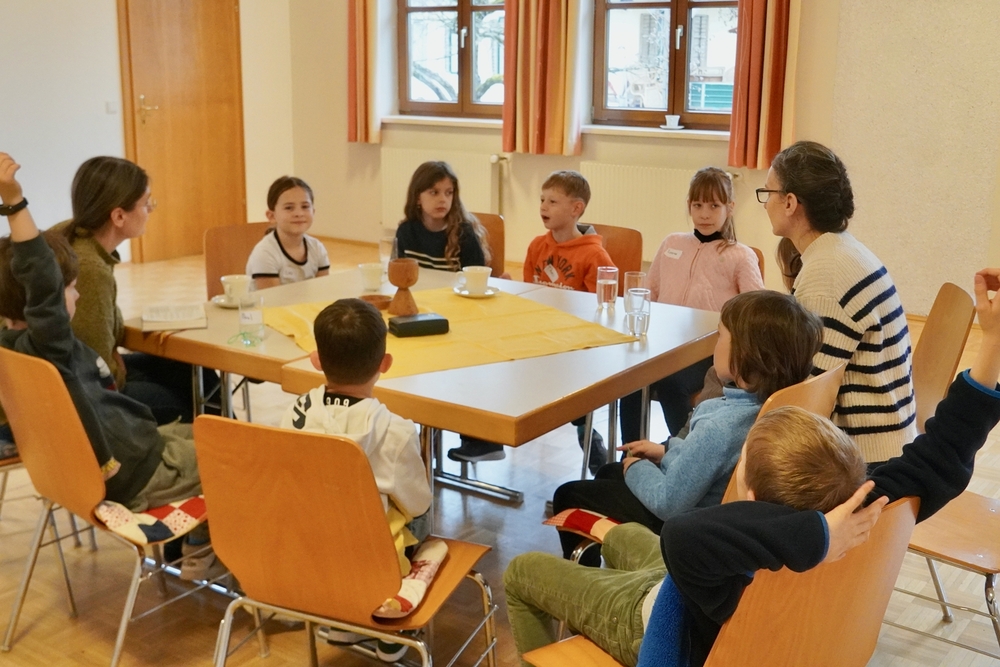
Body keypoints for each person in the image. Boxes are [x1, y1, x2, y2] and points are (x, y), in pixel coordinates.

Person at [506, 267, 1000, 667]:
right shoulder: (851, 520)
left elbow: (683, 534)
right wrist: (992, 346)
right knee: (628, 537)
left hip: (659, 621)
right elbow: (939, 459)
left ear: (748, 493)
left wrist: (818, 536)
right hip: (682, 588)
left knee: (523, 570)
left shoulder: (717, 562)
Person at [0, 153, 218, 581]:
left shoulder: (11, 349)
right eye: (70, 289)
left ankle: (201, 545)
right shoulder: (51, 349)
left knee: (206, 430)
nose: (77, 297)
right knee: (238, 454)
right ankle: (205, 553)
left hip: (107, 464)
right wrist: (14, 202)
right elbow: (41, 276)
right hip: (135, 472)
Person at [551, 290, 822, 565]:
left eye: (720, 336)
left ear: (745, 354)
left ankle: (591, 575)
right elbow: (704, 461)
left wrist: (636, 467)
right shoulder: (770, 405)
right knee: (609, 472)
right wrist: (666, 450)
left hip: (681, 526)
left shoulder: (720, 428)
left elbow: (668, 502)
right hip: (704, 511)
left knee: (568, 494)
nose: (716, 344)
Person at [759, 140, 917, 466]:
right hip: (885, 441)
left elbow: (810, 395)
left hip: (866, 458)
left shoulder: (826, 273)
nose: (764, 204)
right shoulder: (842, 250)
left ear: (789, 202)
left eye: (767, 193)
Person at [448, 170, 615, 468]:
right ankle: (485, 438)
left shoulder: (594, 255)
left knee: (558, 373)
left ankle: (588, 435)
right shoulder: (537, 246)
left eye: (553, 201)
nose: (543, 207)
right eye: (542, 200)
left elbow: (602, 309)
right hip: (537, 333)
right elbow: (530, 296)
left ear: (576, 208)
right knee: (483, 353)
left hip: (573, 342)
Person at [53, 156, 216, 425]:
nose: (150, 210)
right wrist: (116, 364)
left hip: (73, 379)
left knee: (194, 371)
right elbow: (99, 368)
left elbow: (100, 342)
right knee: (194, 399)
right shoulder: (90, 269)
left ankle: (235, 442)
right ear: (119, 216)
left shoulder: (69, 234)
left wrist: (114, 355)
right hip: (87, 398)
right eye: (146, 203)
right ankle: (228, 443)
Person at [280, 298, 431, 575]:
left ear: (316, 360)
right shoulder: (396, 431)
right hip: (373, 570)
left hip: (303, 554)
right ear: (385, 363)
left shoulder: (293, 414)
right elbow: (418, 504)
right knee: (419, 511)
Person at [619, 167, 764, 442]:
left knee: (672, 383)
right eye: (698, 205)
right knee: (631, 378)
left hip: (709, 352)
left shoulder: (740, 256)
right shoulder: (671, 243)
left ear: (730, 208)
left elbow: (756, 311)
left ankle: (684, 449)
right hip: (664, 345)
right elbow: (649, 293)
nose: (705, 214)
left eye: (714, 206)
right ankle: (631, 455)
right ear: (689, 206)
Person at [394, 161, 491, 271]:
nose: (443, 200)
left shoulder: (464, 233)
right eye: (434, 192)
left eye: (449, 193)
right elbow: (398, 272)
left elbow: (476, 276)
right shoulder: (406, 231)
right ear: (417, 198)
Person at [246, 175, 330, 289]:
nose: (299, 213)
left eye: (305, 206)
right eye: (289, 208)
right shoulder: (265, 253)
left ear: (313, 212)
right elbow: (270, 298)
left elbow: (323, 291)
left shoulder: (317, 248)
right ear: (271, 216)